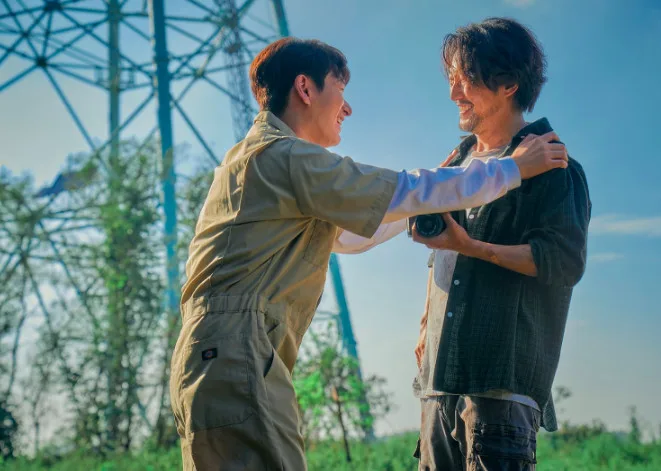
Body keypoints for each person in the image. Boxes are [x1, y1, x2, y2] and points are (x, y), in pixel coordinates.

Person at [169, 36, 567, 471]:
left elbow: (357, 232)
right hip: (236, 354)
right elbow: (401, 191)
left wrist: (434, 199)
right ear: (305, 88)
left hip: (215, 356)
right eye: (340, 91)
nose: (348, 108)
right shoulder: (283, 156)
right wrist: (512, 168)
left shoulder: (256, 160)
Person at [408, 19, 592, 471]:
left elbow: (562, 262)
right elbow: (441, 254)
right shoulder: (455, 166)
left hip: (499, 390)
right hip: (436, 385)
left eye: (466, 79)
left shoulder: (554, 167)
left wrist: (473, 246)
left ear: (508, 83)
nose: (454, 93)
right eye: (451, 79)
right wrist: (426, 323)